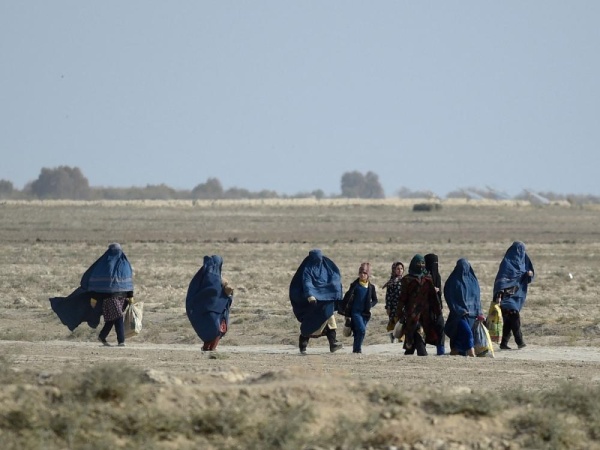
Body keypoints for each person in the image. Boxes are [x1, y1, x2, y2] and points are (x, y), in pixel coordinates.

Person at [289, 249, 343, 354]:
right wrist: (310, 295)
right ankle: (303, 346)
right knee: (310, 324)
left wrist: (335, 290)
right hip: (313, 304)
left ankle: (333, 344)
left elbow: (334, 278)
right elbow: (307, 282)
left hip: (326, 301)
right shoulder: (307, 269)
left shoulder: (326, 266)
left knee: (330, 321)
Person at [81, 243, 134, 347]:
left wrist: (130, 296)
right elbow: (99, 283)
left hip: (122, 297)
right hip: (109, 297)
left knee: (112, 319)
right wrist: (94, 298)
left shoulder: (123, 263)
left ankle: (102, 336)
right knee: (118, 316)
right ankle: (121, 341)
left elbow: (128, 281)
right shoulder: (105, 264)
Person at [395, 254, 442, 356]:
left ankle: (411, 351)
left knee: (417, 338)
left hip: (425, 314)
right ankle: (421, 354)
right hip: (412, 313)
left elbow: (433, 297)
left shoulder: (428, 278)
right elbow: (402, 298)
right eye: (418, 263)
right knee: (416, 334)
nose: (421, 265)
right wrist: (399, 314)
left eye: (422, 263)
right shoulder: (407, 280)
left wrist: (438, 312)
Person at [186, 255, 234, 351]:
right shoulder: (210, 278)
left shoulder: (202, 277)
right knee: (215, 329)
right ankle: (210, 349)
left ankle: (209, 348)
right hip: (209, 310)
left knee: (214, 329)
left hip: (212, 310)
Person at [493, 241, 535, 350]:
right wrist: (499, 295)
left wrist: (528, 274)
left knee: (509, 320)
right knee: (515, 317)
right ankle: (520, 341)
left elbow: (528, 277)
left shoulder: (524, 261)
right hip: (506, 297)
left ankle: (504, 343)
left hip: (517, 295)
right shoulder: (507, 263)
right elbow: (502, 279)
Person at [443, 258, 485, 357]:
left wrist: (479, 312)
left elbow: (477, 298)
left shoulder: (473, 281)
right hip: (459, 316)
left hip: (472, 315)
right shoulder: (453, 281)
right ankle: (472, 353)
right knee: (467, 333)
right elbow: (450, 297)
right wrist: (459, 310)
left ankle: (455, 351)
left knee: (461, 339)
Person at [339, 262, 378, 354]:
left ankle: (355, 350)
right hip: (355, 313)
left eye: (364, 273)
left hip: (365, 314)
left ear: (368, 275)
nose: (362, 275)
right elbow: (347, 297)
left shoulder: (371, 287)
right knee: (362, 330)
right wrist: (344, 311)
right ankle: (358, 349)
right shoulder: (355, 286)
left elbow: (375, 300)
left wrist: (370, 305)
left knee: (358, 332)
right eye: (360, 273)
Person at [425, 253, 446, 355]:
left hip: (437, 307)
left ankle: (441, 351)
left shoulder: (437, 276)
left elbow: (439, 293)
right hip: (425, 308)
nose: (435, 265)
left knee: (441, 327)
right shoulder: (423, 276)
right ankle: (422, 351)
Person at [382, 261, 404, 343]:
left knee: (402, 321)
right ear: (394, 270)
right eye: (398, 269)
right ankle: (393, 335)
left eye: (401, 269)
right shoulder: (391, 283)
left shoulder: (406, 280)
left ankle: (401, 337)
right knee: (394, 321)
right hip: (394, 306)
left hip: (403, 306)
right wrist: (388, 307)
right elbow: (388, 296)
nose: (400, 270)